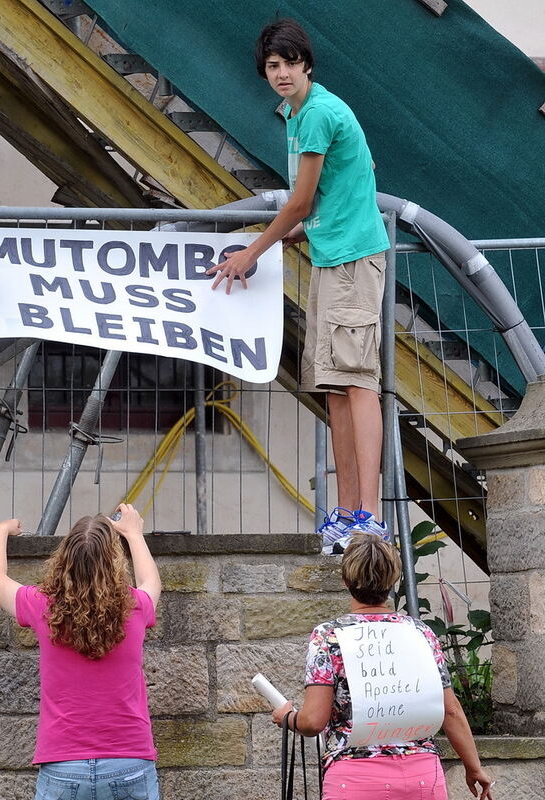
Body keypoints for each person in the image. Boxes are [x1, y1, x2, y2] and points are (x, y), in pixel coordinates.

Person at [207, 19, 390, 553]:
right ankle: (349, 513)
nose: (281, 73)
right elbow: (336, 190)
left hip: (353, 261)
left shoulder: (318, 114)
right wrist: (299, 237)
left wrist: (252, 252)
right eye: (271, 66)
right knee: (333, 387)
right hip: (332, 256)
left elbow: (301, 202)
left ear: (306, 63)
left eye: (288, 62)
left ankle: (368, 517)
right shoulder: (301, 113)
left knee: (357, 383)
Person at [271, 534, 494, 800]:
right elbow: (451, 710)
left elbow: (313, 721)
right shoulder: (421, 633)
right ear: (393, 580)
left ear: (346, 581)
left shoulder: (329, 636)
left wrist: (287, 717)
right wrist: (473, 767)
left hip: (354, 780)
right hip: (422, 777)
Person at [0, 504, 161, 800]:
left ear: (65, 558)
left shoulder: (42, 604)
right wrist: (134, 533)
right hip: (129, 760)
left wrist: (0, 530)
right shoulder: (136, 606)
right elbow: (151, 582)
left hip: (63, 764)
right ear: (114, 562)